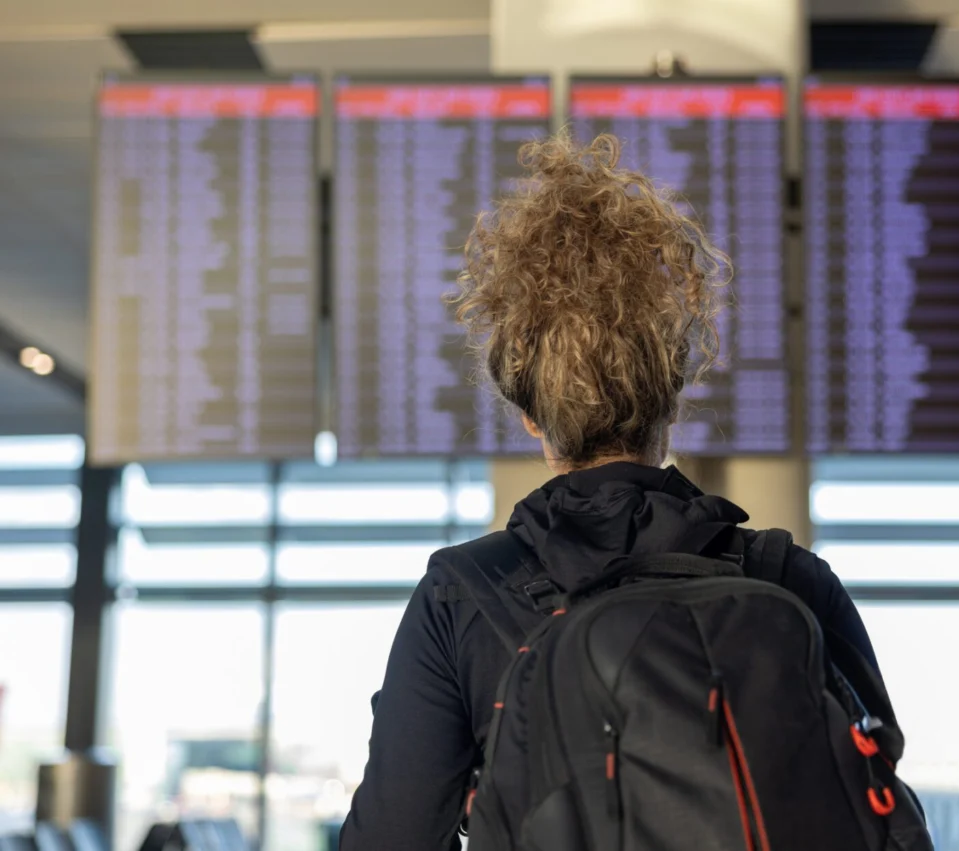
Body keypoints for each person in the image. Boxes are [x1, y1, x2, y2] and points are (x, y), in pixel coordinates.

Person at [339, 132, 893, 850]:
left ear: (528, 412)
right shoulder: (794, 584)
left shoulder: (462, 597)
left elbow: (393, 836)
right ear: (675, 393)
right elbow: (880, 810)